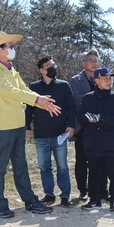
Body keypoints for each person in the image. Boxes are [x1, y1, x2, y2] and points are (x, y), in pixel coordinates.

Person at [0, 31, 61, 218]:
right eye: (9, 47)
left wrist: (39, 101)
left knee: (21, 165)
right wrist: (36, 98)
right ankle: (0, 204)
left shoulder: (10, 69)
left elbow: (23, 89)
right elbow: (11, 91)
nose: (12, 49)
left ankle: (29, 200)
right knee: (0, 167)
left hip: (17, 123)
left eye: (11, 46)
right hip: (3, 126)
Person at [25, 56, 76, 207]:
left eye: (54, 64)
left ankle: (65, 196)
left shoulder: (64, 86)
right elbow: (28, 109)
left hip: (60, 134)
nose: (53, 68)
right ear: (41, 70)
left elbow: (71, 107)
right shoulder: (33, 88)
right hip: (40, 135)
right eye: (49, 65)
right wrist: (26, 127)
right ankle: (49, 195)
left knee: (62, 166)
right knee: (44, 167)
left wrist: (71, 125)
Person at [77, 68, 114, 212]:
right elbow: (79, 117)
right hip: (91, 140)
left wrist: (103, 120)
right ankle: (94, 200)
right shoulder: (87, 98)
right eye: (105, 79)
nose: (108, 81)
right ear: (96, 80)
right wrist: (89, 118)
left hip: (110, 141)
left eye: (110, 79)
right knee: (93, 171)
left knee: (113, 172)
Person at [69, 49, 108, 201]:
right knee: (81, 160)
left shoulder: (103, 77)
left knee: (102, 159)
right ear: (83, 62)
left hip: (101, 125)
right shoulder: (75, 80)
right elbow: (74, 99)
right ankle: (83, 190)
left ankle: (102, 189)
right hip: (83, 126)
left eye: (96, 60)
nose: (94, 63)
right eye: (90, 60)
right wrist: (92, 98)